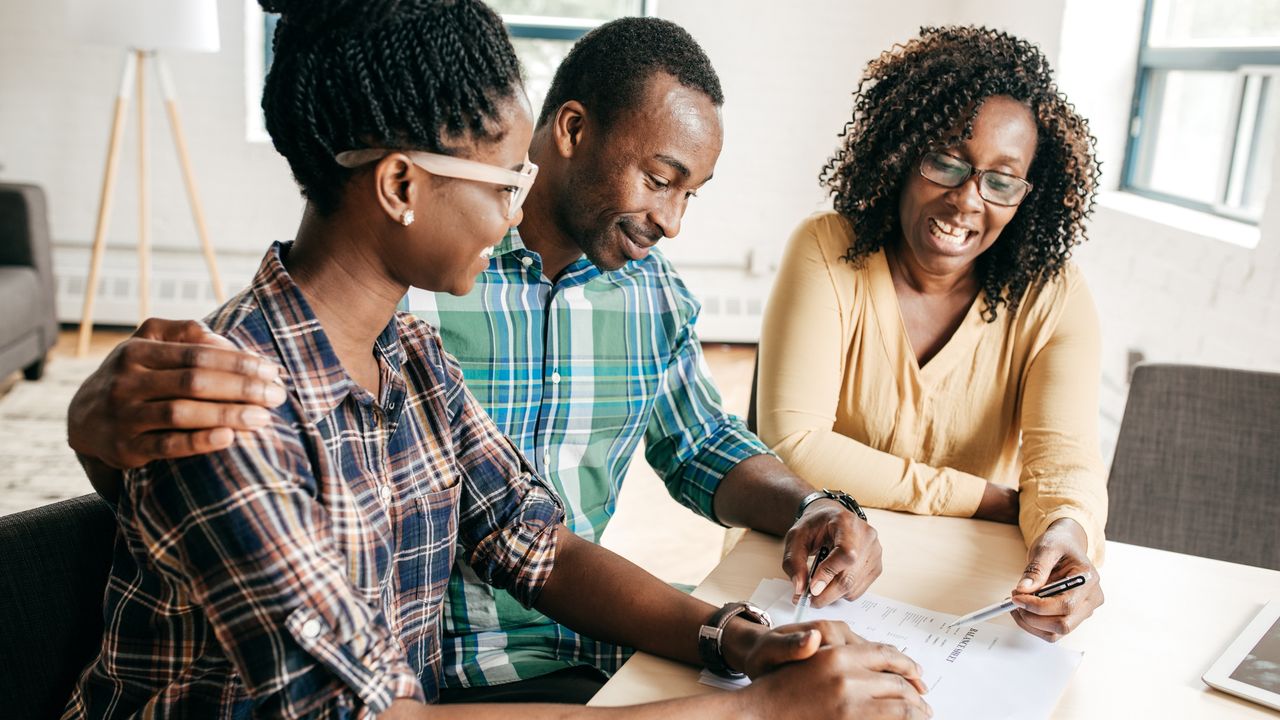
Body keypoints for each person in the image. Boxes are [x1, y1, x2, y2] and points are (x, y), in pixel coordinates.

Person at [65, 15, 885, 703]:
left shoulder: (413, 358)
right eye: (502, 185)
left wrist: (731, 637)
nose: (511, 212)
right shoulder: (237, 399)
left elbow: (538, 545)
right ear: (400, 186)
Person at [757, 25, 1106, 643]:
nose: (968, 199)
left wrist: (1064, 531)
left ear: (1029, 195)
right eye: (946, 159)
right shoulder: (827, 250)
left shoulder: (1053, 295)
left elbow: (1065, 465)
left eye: (1001, 180)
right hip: (812, 575)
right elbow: (795, 444)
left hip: (959, 598)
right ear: (901, 153)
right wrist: (989, 500)